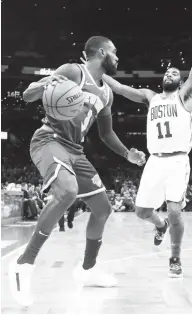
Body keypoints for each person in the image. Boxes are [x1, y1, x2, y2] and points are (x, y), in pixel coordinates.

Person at [9, 36, 146, 307]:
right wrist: (45, 83)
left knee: (103, 209)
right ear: (100, 52)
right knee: (68, 192)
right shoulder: (74, 72)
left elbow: (106, 134)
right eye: (114, 52)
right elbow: (28, 95)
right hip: (49, 140)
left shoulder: (106, 93)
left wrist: (127, 154)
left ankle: (87, 269)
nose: (118, 57)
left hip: (76, 150)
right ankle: (24, 263)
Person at [98, 15, 192, 278]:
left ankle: (174, 258)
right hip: (154, 161)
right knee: (141, 212)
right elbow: (118, 87)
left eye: (175, 72)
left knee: (176, 210)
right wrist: (94, 71)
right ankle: (159, 225)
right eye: (167, 72)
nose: (170, 74)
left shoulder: (185, 95)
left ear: (180, 79)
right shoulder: (150, 97)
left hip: (177, 161)